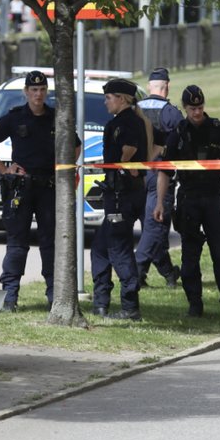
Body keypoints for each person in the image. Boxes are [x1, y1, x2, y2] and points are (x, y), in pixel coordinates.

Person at [0, 70, 80, 311]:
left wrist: (62, 169)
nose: (38, 94)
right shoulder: (14, 117)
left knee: (49, 242)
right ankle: (10, 296)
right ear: (26, 92)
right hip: (21, 189)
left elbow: (75, 147)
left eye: (42, 90)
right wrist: (4, 170)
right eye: (33, 90)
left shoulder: (56, 117)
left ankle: (54, 295)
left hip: (48, 187)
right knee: (17, 242)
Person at [153, 85, 220, 322]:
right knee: (190, 257)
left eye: (200, 107)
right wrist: (159, 203)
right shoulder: (178, 132)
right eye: (192, 108)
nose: (197, 112)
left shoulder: (218, 129)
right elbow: (164, 171)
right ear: (185, 108)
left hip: (212, 198)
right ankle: (195, 304)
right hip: (188, 199)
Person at [91, 78, 152, 321]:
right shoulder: (133, 121)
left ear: (121, 98)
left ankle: (130, 306)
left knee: (118, 248)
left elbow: (129, 150)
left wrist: (122, 169)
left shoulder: (125, 123)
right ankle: (101, 303)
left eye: (108, 98)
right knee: (99, 247)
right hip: (125, 192)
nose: (106, 102)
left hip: (121, 195)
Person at [135, 67, 184, 289]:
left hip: (137, 175)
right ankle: (136, 270)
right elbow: (182, 146)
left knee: (153, 228)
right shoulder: (172, 113)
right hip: (161, 176)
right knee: (156, 226)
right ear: (168, 86)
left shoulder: (135, 110)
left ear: (148, 87)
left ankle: (168, 273)